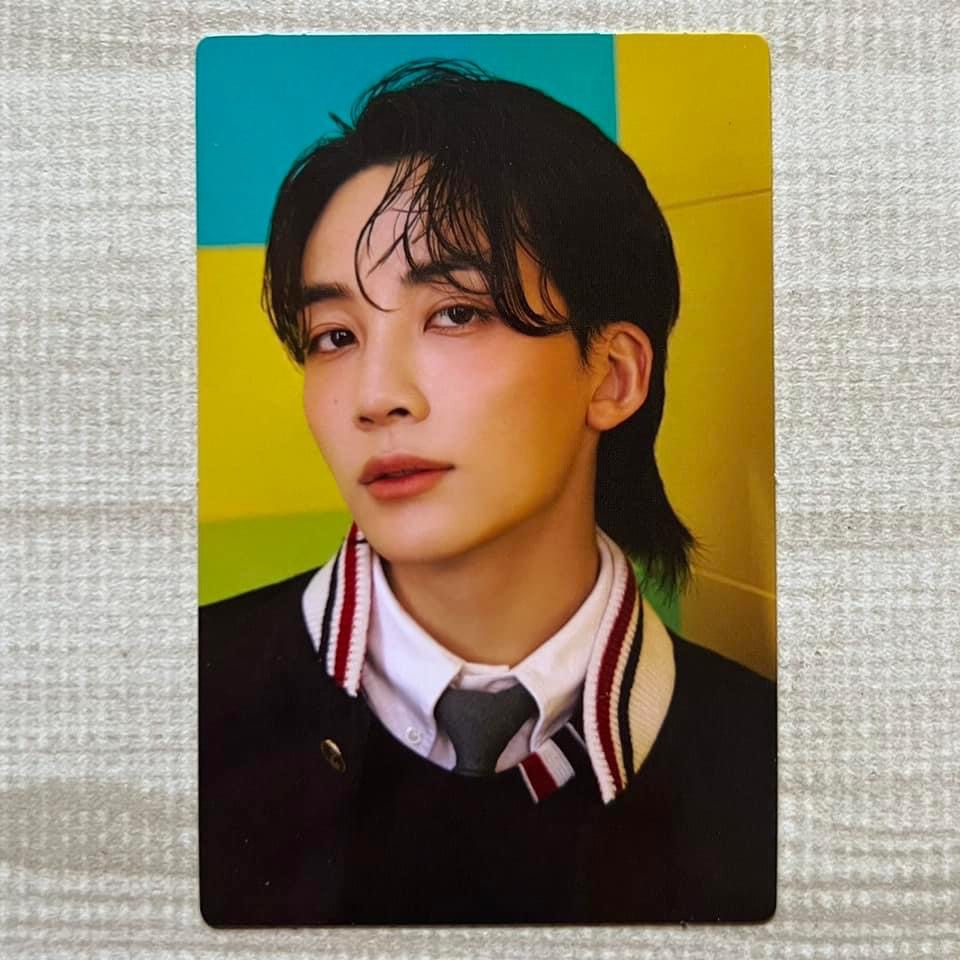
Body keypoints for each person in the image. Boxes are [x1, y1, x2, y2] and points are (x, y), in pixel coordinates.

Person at [199, 60, 775, 926]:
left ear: (613, 376)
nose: (375, 397)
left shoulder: (769, 756)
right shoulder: (179, 697)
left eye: (456, 314)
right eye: (335, 336)